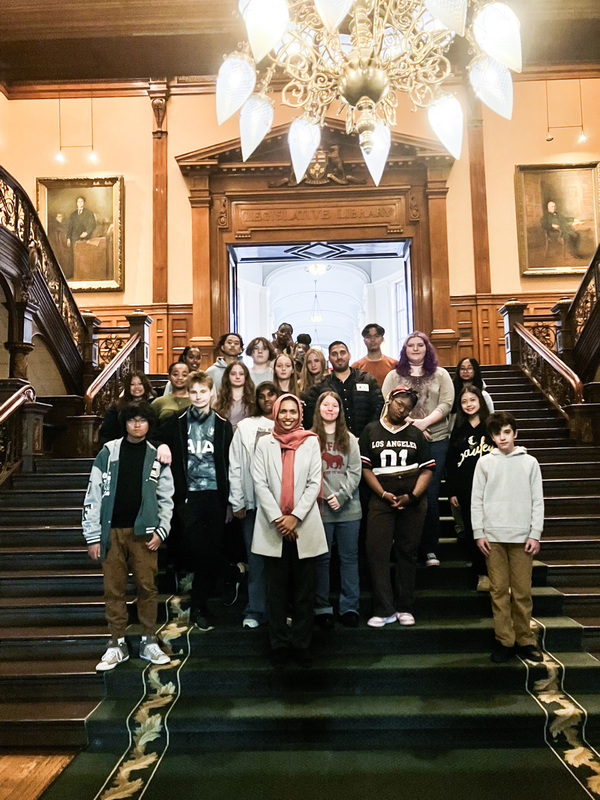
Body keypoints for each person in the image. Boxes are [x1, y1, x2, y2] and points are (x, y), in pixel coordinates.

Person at [83, 402, 174, 671]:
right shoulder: (107, 453)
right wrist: (92, 536)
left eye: (142, 420)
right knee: (113, 590)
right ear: (124, 423)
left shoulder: (157, 455)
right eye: (132, 420)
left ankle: (149, 641)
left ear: (149, 424)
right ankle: (117, 643)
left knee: (147, 587)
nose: (137, 424)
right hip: (110, 533)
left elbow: (166, 498)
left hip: (145, 535)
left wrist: (161, 530)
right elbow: (93, 493)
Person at [157, 371, 238, 632]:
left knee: (211, 546)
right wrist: (161, 445)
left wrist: (229, 501)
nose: (199, 396)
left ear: (212, 393)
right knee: (195, 547)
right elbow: (154, 436)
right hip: (187, 494)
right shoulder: (176, 422)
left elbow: (230, 464)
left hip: (215, 494)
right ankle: (230, 573)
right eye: (194, 392)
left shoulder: (223, 424)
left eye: (203, 391)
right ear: (188, 394)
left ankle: (200, 605)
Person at [252, 394, 327, 668]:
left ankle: (302, 644)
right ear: (275, 412)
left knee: (305, 592)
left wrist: (294, 517)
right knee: (277, 593)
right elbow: (259, 483)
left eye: (292, 411)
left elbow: (313, 483)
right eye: (282, 411)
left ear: (300, 414)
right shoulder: (264, 443)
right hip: (273, 529)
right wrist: (279, 520)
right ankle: (279, 644)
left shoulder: (311, 441)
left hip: (304, 526)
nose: (287, 416)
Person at [471, 411, 544, 664]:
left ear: (514, 433)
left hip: (522, 536)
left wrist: (535, 533)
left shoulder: (529, 463)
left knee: (522, 592)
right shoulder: (484, 463)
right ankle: (505, 640)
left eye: (506, 432)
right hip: (493, 537)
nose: (502, 438)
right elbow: (476, 500)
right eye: (496, 433)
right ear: (491, 437)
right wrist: (479, 532)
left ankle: (525, 639)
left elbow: (538, 501)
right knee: (499, 591)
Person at [359, 387, 435, 628]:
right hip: (381, 499)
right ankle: (384, 608)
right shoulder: (371, 430)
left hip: (411, 501)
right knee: (377, 551)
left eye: (408, 407)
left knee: (407, 552)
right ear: (389, 401)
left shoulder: (416, 433)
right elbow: (366, 468)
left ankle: (404, 606)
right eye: (399, 404)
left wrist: (412, 496)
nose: (402, 409)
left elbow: (427, 469)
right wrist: (382, 493)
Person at [382, 332, 454, 567]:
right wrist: (412, 427)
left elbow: (446, 403)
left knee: (430, 496)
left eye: (419, 345)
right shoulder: (394, 376)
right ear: (405, 350)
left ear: (426, 348)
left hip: (436, 440)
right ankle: (403, 548)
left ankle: (430, 549)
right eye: (410, 345)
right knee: (404, 492)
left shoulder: (441, 375)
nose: (415, 349)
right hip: (403, 441)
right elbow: (387, 404)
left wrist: (424, 423)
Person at [228, 381, 280, 628]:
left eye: (272, 394)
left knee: (281, 560)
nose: (267, 399)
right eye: (262, 396)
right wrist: (237, 499)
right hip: (252, 504)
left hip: (282, 506)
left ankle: (280, 610)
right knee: (256, 557)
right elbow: (235, 464)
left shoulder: (289, 424)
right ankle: (255, 609)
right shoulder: (246, 427)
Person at [311, 391, 362, 629]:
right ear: (319, 409)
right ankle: (322, 608)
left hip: (348, 509)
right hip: (320, 509)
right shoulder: (310, 438)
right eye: (326, 405)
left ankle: (349, 607)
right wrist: (321, 494)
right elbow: (307, 472)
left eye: (334, 405)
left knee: (349, 559)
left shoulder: (349, 438)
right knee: (321, 560)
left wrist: (341, 496)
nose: (330, 409)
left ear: (340, 410)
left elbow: (355, 471)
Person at [446, 385, 494, 591]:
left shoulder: (491, 427)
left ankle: (496, 572)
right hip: (466, 489)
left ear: (480, 402)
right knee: (474, 531)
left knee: (492, 531)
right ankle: (481, 573)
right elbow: (451, 464)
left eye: (472, 400)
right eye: (464, 402)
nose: (468, 405)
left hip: (493, 489)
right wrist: (452, 491)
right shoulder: (458, 430)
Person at [303, 341, 384, 438]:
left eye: (342, 352)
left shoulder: (367, 380)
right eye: (334, 354)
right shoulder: (320, 386)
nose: (339, 357)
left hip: (366, 439)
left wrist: (368, 434)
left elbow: (379, 407)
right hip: (333, 442)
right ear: (329, 358)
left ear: (349, 355)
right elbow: (311, 415)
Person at [98, 371, 156, 448]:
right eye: (132, 384)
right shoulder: (117, 407)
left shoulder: (154, 404)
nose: (136, 387)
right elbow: (107, 432)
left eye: (140, 384)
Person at [214, 361, 256, 432]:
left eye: (241, 374)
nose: (237, 377)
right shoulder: (219, 402)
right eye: (233, 374)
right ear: (228, 376)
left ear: (246, 376)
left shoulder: (254, 401)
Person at [352, 323, 397, 387]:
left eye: (376, 336)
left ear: (382, 339)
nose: (372, 340)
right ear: (364, 340)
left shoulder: (393, 364)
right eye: (368, 337)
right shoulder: (356, 367)